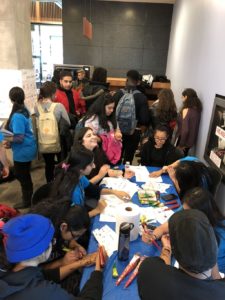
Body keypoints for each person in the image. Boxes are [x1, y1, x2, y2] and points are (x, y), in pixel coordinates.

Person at [0, 213, 106, 300]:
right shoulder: (44, 292)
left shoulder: (13, 269)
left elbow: (47, 275)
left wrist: (82, 262)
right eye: (52, 241)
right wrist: (98, 270)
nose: (54, 242)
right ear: (42, 252)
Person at [138, 209, 225, 300]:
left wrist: (167, 248)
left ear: (175, 250)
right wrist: (209, 250)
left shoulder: (148, 270)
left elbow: (161, 271)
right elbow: (217, 279)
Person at [142, 187, 225, 274]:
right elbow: (164, 228)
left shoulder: (216, 239)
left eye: (187, 212)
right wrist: (153, 236)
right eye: (184, 210)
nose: (183, 214)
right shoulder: (187, 210)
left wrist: (167, 249)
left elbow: (208, 275)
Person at [30, 198, 97, 295]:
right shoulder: (41, 240)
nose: (76, 239)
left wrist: (75, 245)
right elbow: (39, 272)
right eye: (75, 236)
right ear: (63, 227)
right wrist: (62, 262)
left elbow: (63, 240)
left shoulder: (60, 218)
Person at [51, 146, 130, 217]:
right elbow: (75, 220)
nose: (94, 166)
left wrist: (114, 192)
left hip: (81, 211)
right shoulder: (74, 193)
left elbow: (92, 189)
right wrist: (97, 210)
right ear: (81, 169)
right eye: (91, 164)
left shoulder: (79, 176)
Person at [3, 87, 37, 209]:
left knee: (23, 176)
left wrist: (4, 137)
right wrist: (10, 142)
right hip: (27, 147)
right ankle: (29, 198)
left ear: (11, 99)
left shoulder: (17, 115)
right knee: (24, 174)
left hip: (23, 150)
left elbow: (19, 137)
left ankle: (27, 201)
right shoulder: (24, 109)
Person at [35, 81, 71, 182]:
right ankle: (60, 183)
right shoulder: (58, 106)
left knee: (48, 165)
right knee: (62, 163)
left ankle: (49, 185)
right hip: (58, 140)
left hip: (44, 141)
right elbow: (67, 122)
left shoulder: (36, 106)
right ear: (53, 93)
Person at [113, 69, 150, 164]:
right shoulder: (141, 97)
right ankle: (126, 174)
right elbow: (144, 119)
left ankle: (116, 174)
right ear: (138, 82)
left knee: (116, 155)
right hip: (134, 132)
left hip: (117, 131)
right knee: (128, 158)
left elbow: (111, 113)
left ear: (126, 80)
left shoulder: (117, 94)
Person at [82, 93, 122, 164]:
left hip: (111, 151)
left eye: (113, 108)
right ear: (102, 107)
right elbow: (90, 137)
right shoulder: (93, 119)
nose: (112, 110)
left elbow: (117, 129)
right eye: (109, 108)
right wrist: (106, 138)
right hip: (98, 153)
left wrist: (118, 133)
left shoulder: (111, 116)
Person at [175, 88, 202, 155]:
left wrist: (181, 145)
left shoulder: (186, 110)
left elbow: (185, 130)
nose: (181, 98)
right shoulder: (197, 110)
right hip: (190, 141)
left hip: (183, 140)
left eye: (182, 96)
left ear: (186, 97)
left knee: (177, 159)